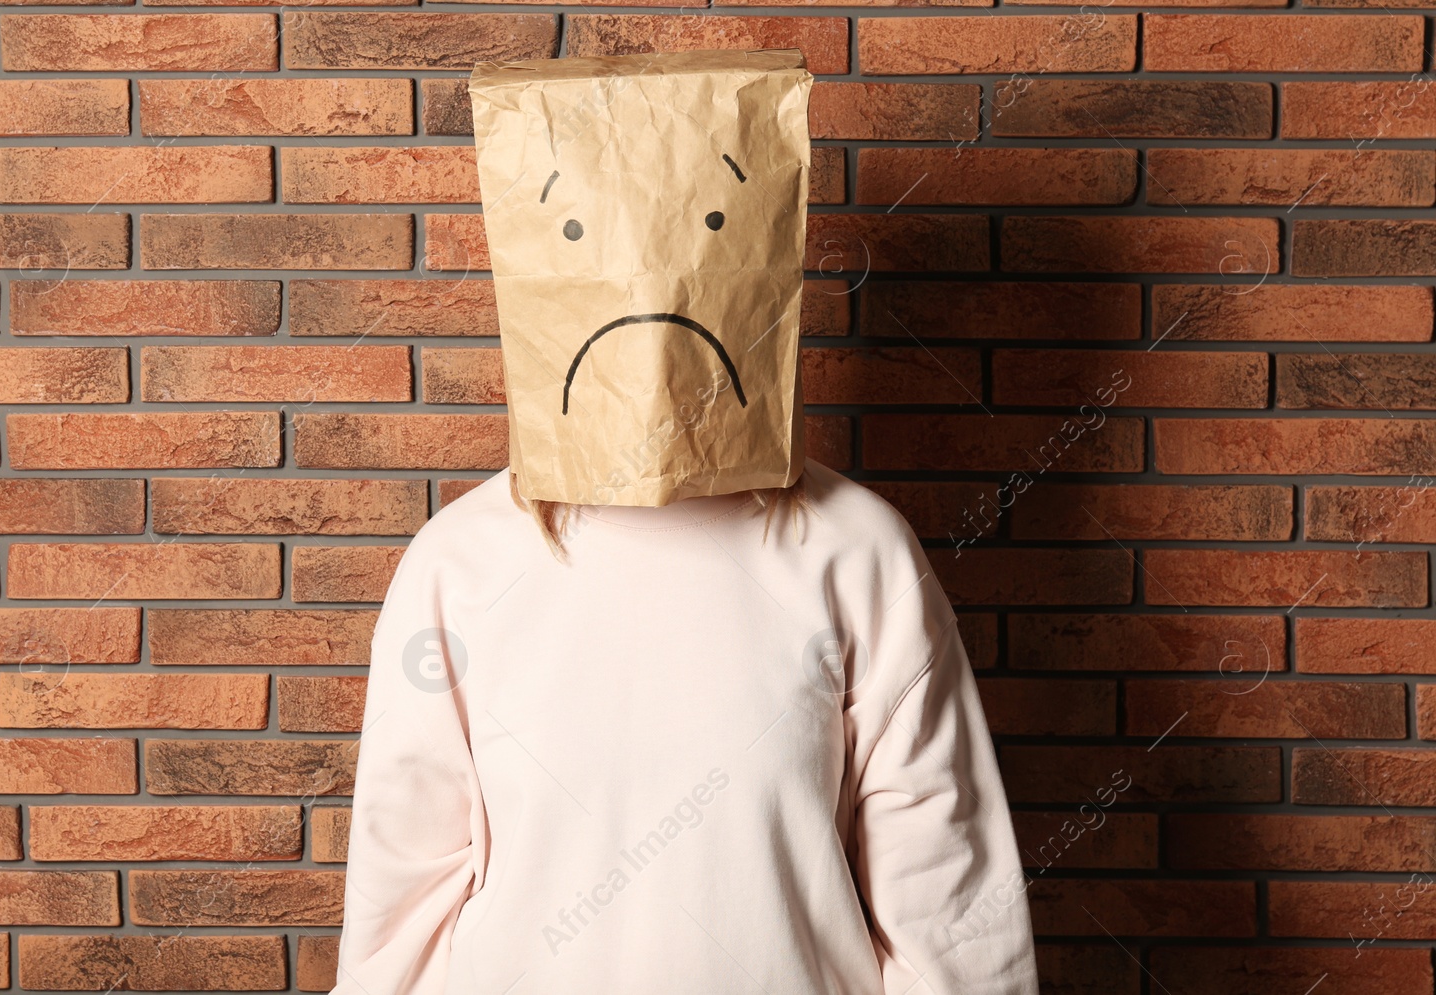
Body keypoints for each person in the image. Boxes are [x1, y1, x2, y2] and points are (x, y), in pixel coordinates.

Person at [329, 49, 1039, 994]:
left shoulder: (857, 552)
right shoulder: (457, 566)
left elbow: (951, 913)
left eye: (710, 225)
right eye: (576, 236)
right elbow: (399, 920)